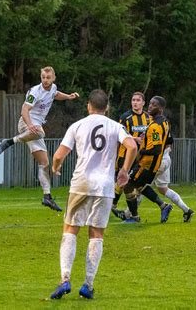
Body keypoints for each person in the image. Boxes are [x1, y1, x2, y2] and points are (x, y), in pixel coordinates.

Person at [49, 89, 137, 300]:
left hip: (81, 183)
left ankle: (65, 279)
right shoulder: (116, 126)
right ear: (106, 108)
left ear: (88, 106)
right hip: (105, 186)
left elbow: (59, 154)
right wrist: (124, 170)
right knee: (96, 234)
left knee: (70, 229)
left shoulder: (77, 125)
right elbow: (132, 146)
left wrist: (55, 167)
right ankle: (88, 284)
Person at [0, 66, 79, 212]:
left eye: (48, 78)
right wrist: (30, 125)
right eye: (43, 77)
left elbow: (56, 94)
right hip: (26, 123)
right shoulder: (35, 91)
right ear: (41, 78)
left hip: (36, 127)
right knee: (40, 132)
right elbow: (24, 110)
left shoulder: (53, 88)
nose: (45, 80)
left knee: (44, 163)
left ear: (53, 78)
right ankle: (10, 141)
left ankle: (47, 197)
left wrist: (68, 96)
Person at [121, 96, 173, 223]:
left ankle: (134, 217)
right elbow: (169, 140)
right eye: (150, 103)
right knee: (140, 185)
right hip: (150, 163)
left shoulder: (155, 126)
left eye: (153, 105)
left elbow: (155, 149)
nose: (150, 106)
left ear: (160, 109)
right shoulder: (165, 122)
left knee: (127, 184)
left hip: (147, 164)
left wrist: (141, 152)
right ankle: (164, 206)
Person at [111, 92, 150, 214]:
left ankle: (118, 207)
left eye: (138, 100)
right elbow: (120, 135)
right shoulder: (125, 117)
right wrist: (135, 139)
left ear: (143, 103)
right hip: (125, 155)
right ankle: (116, 206)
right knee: (122, 181)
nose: (135, 102)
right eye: (133, 100)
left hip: (141, 157)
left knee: (130, 183)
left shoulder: (148, 118)